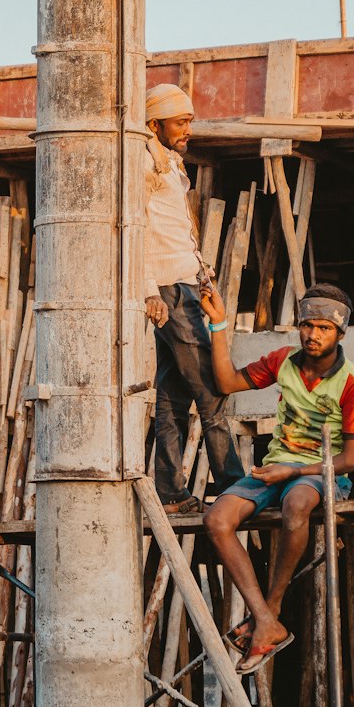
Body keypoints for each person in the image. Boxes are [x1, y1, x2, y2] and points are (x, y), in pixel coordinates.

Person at [201, 281, 354, 674]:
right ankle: (265, 620)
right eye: (307, 325)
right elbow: (227, 383)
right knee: (216, 519)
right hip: (275, 467)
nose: (313, 335)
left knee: (297, 504)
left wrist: (293, 470)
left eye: (324, 328)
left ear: (340, 332)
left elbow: (349, 460)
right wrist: (219, 323)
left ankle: (272, 607)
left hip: (319, 473)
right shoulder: (283, 360)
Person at [144, 82, 245, 512]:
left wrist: (200, 271)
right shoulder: (142, 161)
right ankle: (233, 483)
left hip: (183, 282)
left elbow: (172, 227)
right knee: (211, 389)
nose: (188, 128)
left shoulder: (167, 160)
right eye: (181, 122)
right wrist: (149, 289)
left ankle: (169, 492)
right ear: (155, 123)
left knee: (172, 395)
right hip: (169, 288)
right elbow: (135, 228)